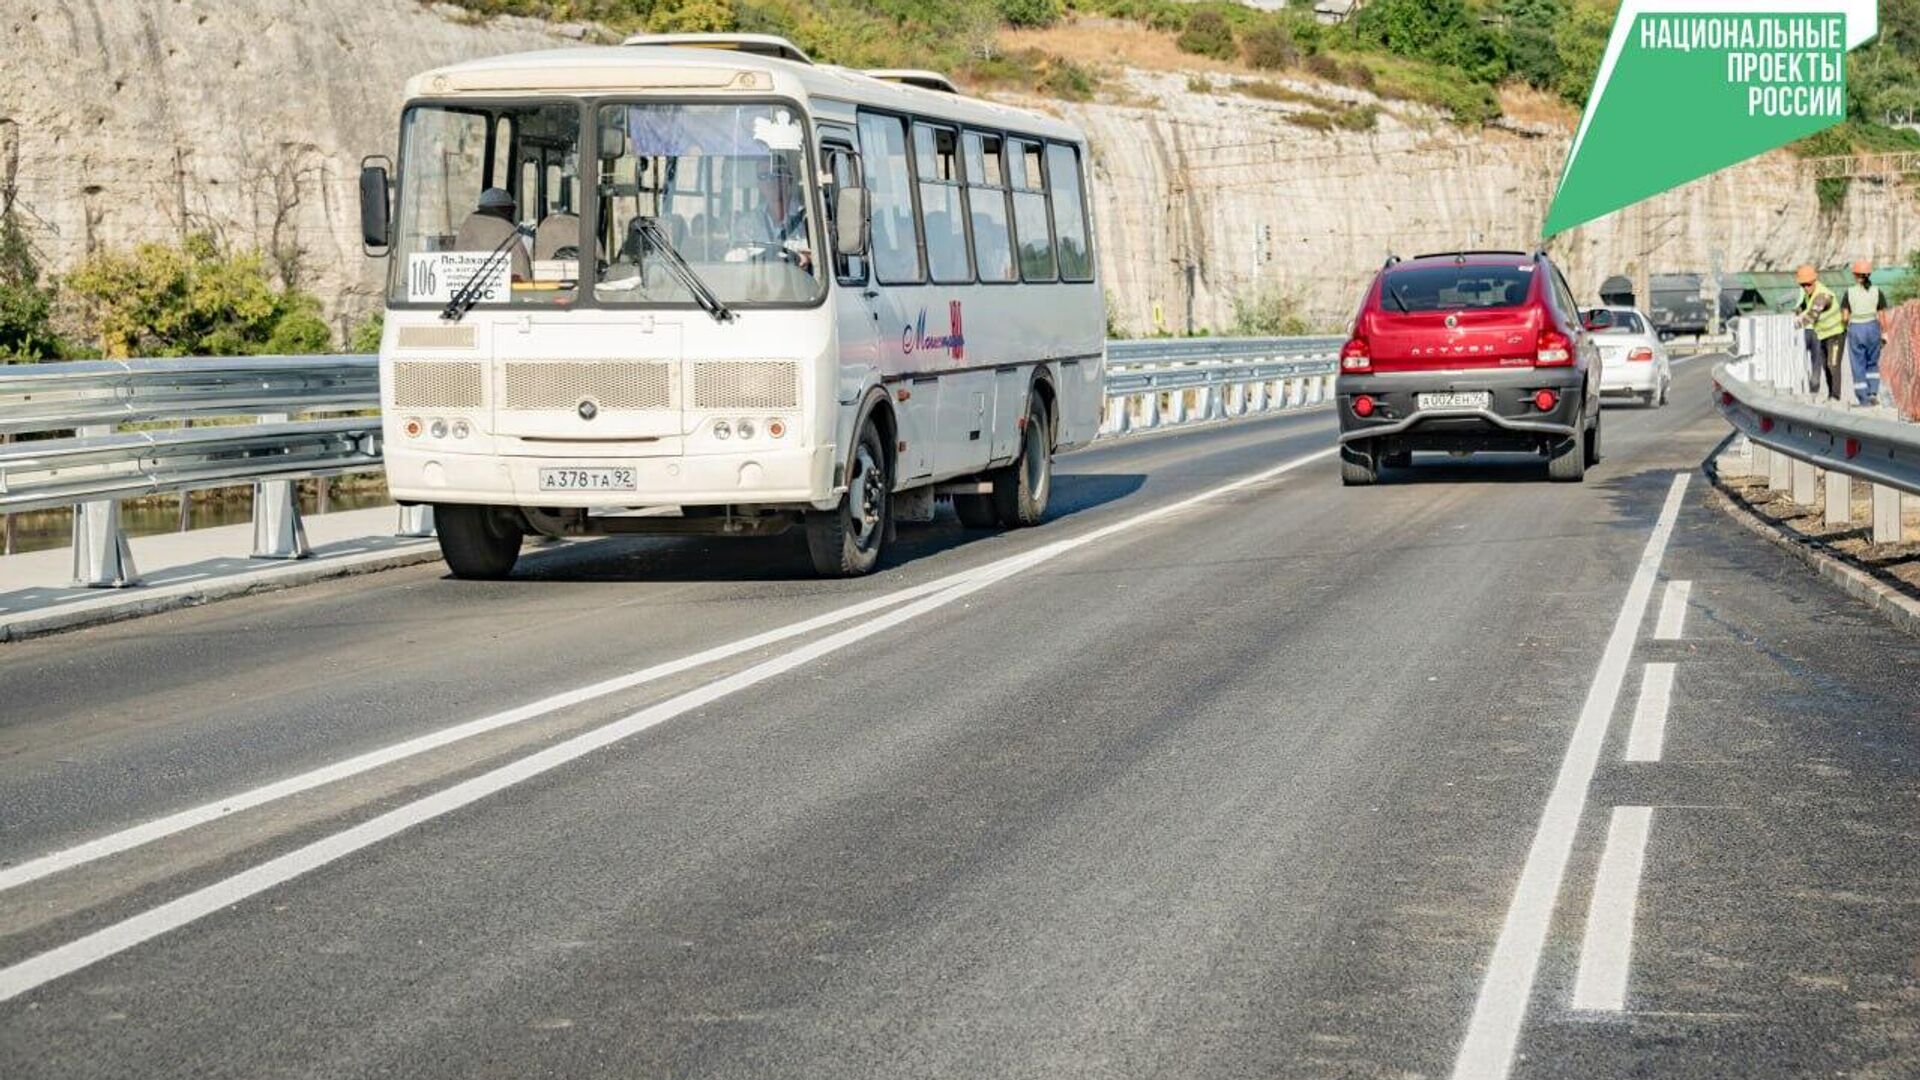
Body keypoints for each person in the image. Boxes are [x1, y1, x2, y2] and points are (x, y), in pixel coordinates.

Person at [738, 156, 812, 272]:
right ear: (759, 184)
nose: (770, 181)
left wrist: (806, 259)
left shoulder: (810, 219)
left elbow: (826, 259)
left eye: (776, 175)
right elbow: (736, 257)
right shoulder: (748, 222)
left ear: (789, 179)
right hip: (757, 281)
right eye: (763, 176)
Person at [1841, 258, 1892, 405]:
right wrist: (1885, 333)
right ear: (1869, 274)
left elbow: (1845, 316)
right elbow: (1882, 315)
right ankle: (1872, 393)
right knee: (1872, 362)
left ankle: (1863, 398)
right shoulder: (1877, 291)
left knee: (1858, 364)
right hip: (1872, 327)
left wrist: (1845, 327)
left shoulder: (1849, 292)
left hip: (1856, 328)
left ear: (1855, 275)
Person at [1793, 264, 1845, 399]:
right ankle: (1830, 394)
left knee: (1833, 365)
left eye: (1808, 284)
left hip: (1835, 334)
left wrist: (1793, 325)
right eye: (1802, 285)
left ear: (1814, 281)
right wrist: (1796, 312)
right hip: (1822, 335)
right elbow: (1804, 308)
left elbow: (1812, 316)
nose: (1805, 287)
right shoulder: (1809, 295)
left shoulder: (1823, 295)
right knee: (1826, 367)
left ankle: (1835, 397)